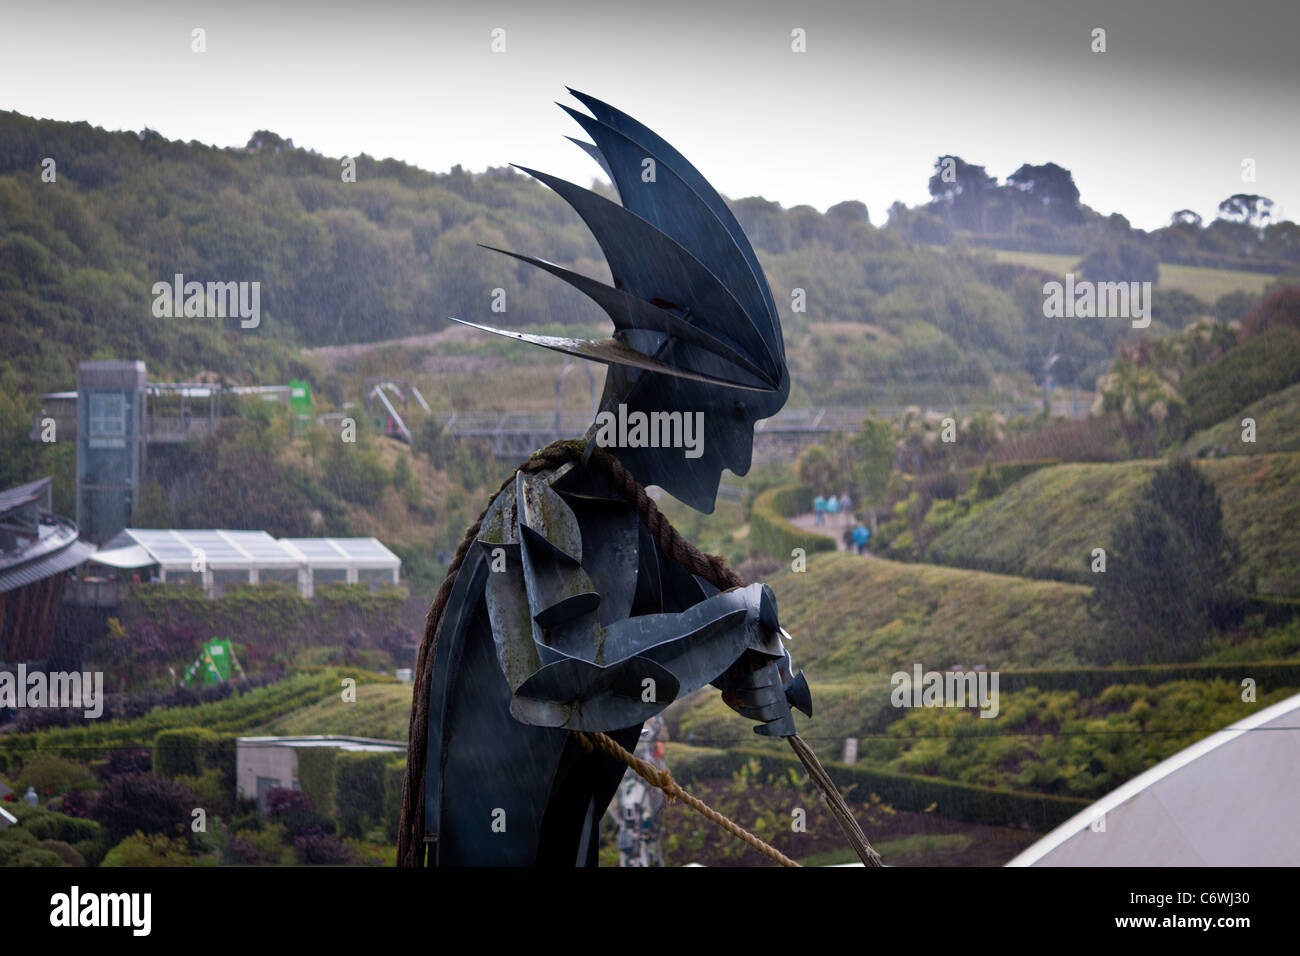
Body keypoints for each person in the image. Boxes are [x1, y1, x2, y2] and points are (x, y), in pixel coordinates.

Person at [402, 90, 812, 868]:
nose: (739, 458)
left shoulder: (628, 530)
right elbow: (559, 675)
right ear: (664, 397)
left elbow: (705, 627)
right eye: (730, 421)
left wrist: (763, 662)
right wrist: (741, 621)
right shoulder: (540, 512)